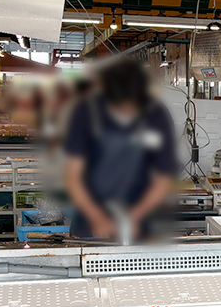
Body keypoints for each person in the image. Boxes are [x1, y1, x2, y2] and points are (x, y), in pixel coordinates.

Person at [64, 58, 177, 239]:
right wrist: (97, 217)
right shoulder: (86, 112)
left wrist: (134, 217)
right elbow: (72, 177)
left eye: (133, 106)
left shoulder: (156, 115)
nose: (127, 112)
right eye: (120, 106)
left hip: (138, 215)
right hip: (89, 218)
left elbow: (164, 177)